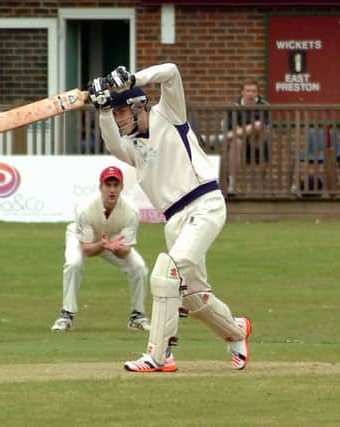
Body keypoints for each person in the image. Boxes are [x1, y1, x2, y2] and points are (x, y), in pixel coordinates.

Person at [88, 63, 252, 372]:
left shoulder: (170, 114)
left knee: (165, 274)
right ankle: (237, 332)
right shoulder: (132, 147)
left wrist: (133, 78)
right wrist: (104, 110)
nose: (120, 119)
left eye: (123, 112)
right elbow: (111, 142)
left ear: (139, 106)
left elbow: (173, 71)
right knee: (193, 297)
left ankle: (158, 356)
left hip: (205, 205)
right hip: (175, 221)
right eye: (117, 114)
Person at [50, 165, 151, 332]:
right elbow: (87, 250)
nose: (112, 190)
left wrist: (114, 247)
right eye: (108, 185)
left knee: (139, 268)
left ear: (121, 188)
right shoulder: (85, 209)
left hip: (113, 241)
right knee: (73, 264)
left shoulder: (131, 212)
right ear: (100, 187)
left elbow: (126, 250)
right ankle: (66, 315)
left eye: (115, 185)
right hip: (83, 240)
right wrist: (103, 245)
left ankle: (137, 316)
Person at [225, 79, 270, 194]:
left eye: (254, 91)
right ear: (242, 92)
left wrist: (243, 130)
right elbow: (230, 128)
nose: (251, 94)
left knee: (259, 126)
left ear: (257, 93)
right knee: (236, 142)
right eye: (248, 90)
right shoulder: (235, 106)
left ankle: (218, 138)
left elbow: (265, 128)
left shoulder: (264, 105)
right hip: (241, 145)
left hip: (258, 144)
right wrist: (250, 129)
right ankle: (232, 185)